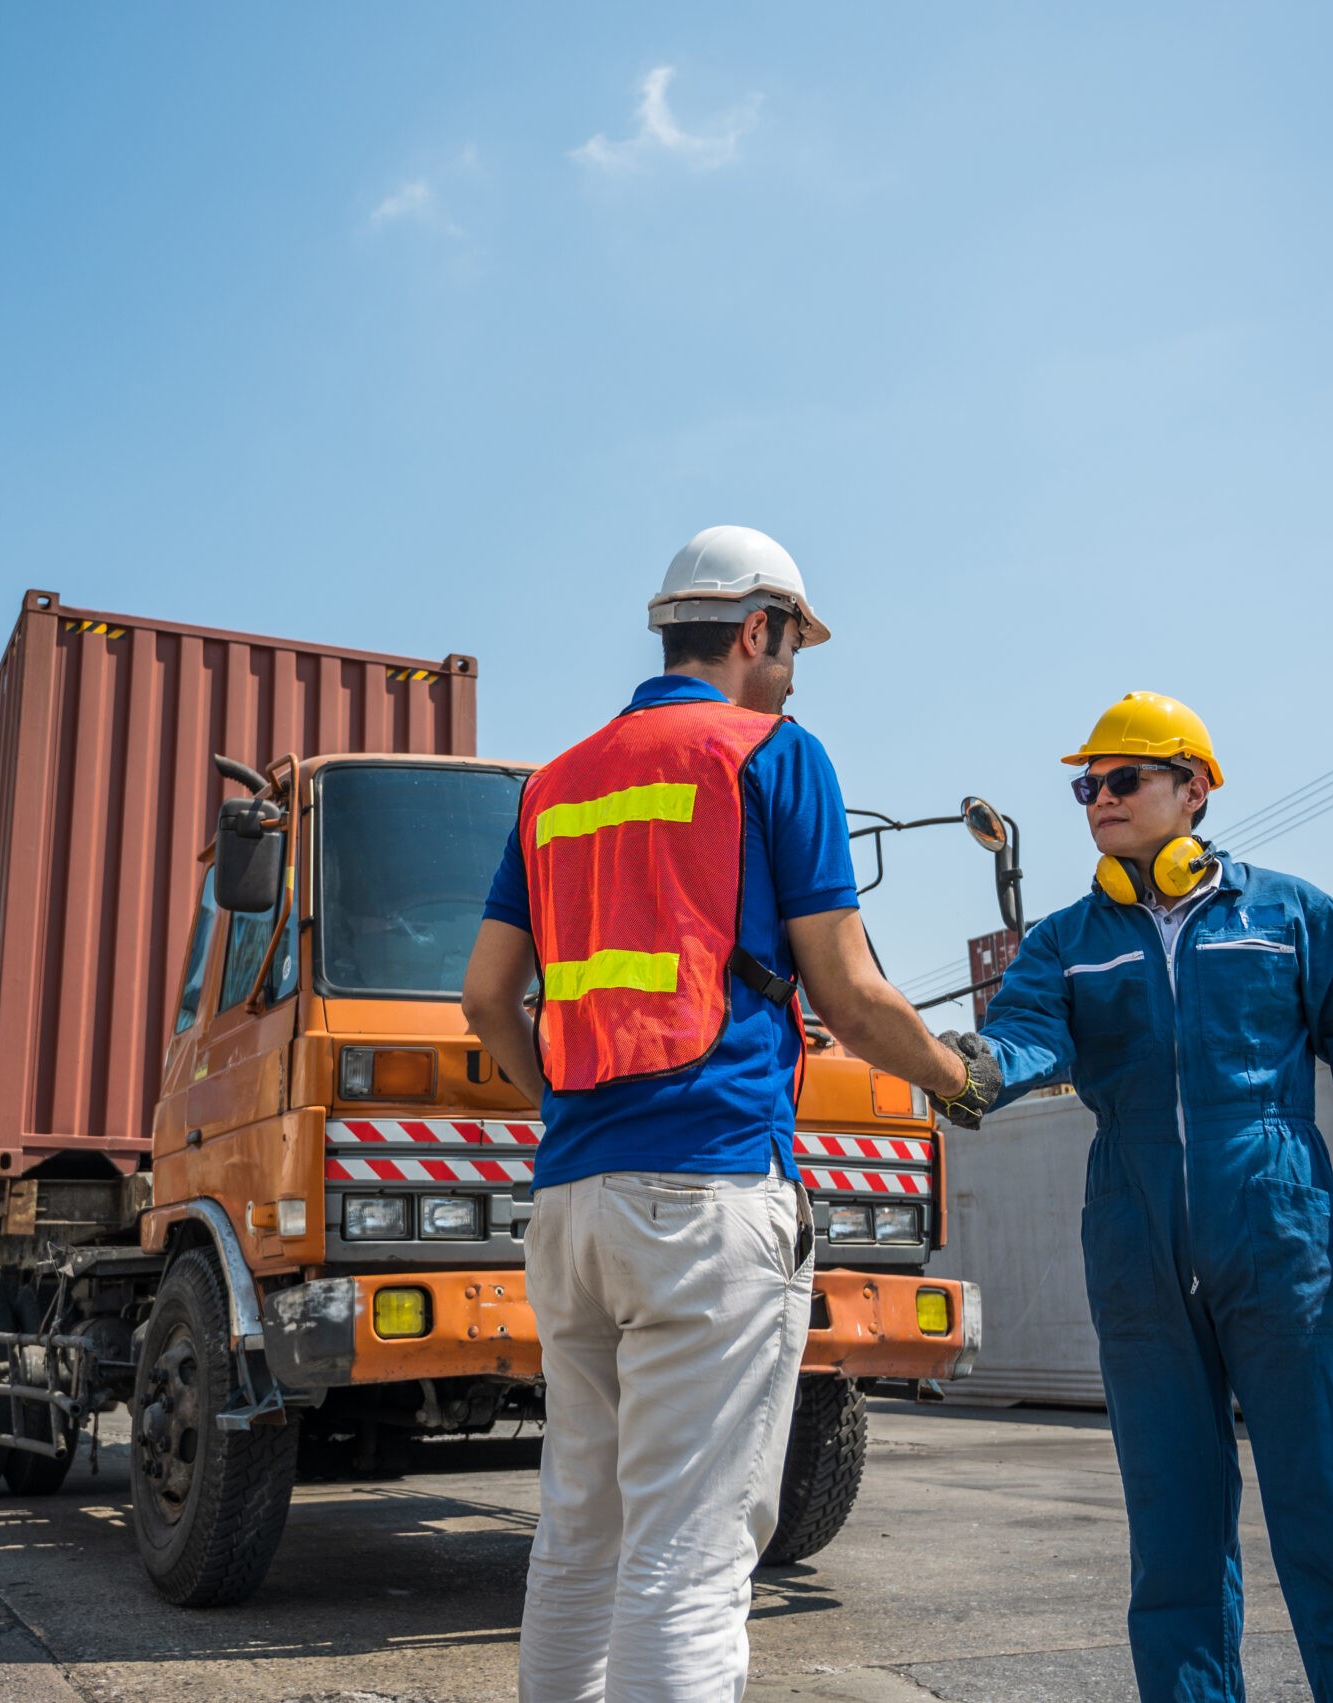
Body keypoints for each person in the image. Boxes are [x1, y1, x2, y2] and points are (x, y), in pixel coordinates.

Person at [461, 525, 996, 1703]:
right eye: (794, 642)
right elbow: (849, 991)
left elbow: (486, 997)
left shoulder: (553, 782)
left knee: (579, 1532)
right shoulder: (773, 754)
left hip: (571, 1200)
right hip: (705, 1196)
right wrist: (960, 1079)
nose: (797, 668)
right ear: (755, 628)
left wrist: (567, 1104)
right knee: (689, 1560)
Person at [940, 692, 1333, 1703]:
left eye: (1121, 778)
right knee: (1171, 1520)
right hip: (1136, 1234)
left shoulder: (1291, 916)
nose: (1097, 797)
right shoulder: (1064, 940)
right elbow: (1024, 1036)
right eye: (1084, 784)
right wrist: (975, 1066)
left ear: (1193, 787)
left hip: (1276, 1231)